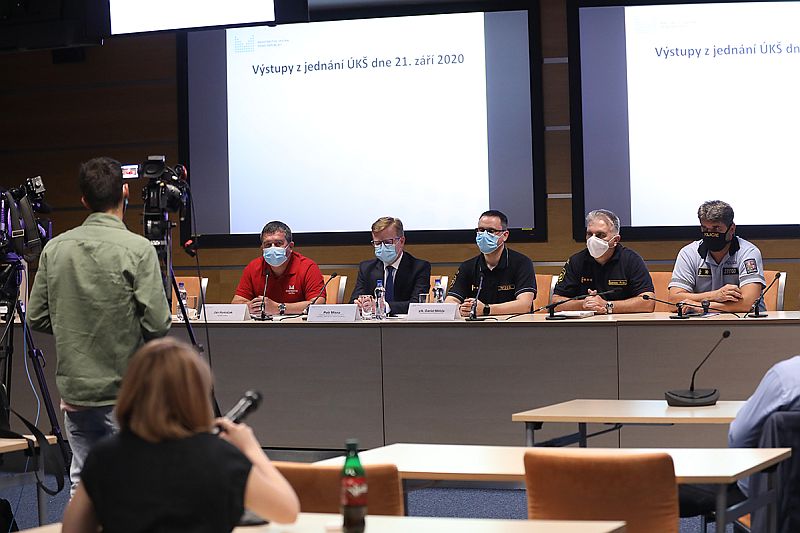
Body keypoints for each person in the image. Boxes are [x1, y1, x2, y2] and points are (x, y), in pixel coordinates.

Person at [27, 156, 171, 492]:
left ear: (83, 200)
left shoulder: (54, 248)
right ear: (125, 192)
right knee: (134, 483)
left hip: (76, 391)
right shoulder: (139, 249)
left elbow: (36, 317)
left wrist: (74, 321)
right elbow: (158, 324)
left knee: (83, 481)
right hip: (126, 391)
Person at [61, 338, 300, 532]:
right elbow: (287, 510)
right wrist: (250, 448)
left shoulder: (106, 456)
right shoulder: (219, 456)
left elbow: (73, 529)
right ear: (198, 394)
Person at [679, 355, 800, 517]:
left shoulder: (786, 376)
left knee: (664, 485)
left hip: (770, 496)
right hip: (789, 499)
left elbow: (740, 438)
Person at [669, 200, 765, 313]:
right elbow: (673, 302)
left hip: (745, 321)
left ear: (732, 229)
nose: (710, 233)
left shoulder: (748, 252)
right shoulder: (688, 253)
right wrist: (714, 295)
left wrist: (702, 307)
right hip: (701, 322)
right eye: (705, 229)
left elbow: (749, 304)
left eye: (716, 228)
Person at [552, 209, 655, 314]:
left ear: (615, 240)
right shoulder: (576, 261)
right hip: (586, 322)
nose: (593, 240)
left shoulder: (632, 260)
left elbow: (648, 302)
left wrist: (607, 305)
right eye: (589, 234)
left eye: (600, 235)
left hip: (622, 322)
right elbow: (555, 302)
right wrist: (583, 305)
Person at [445, 210, 536, 317]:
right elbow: (450, 301)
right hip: (477, 326)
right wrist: (462, 309)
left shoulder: (522, 263)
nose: (484, 235)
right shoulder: (467, 266)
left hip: (513, 324)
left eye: (491, 231)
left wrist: (486, 309)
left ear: (505, 235)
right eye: (481, 230)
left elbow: (524, 305)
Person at [232, 221, 326, 317]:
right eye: (268, 245)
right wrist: (250, 307)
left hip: (297, 324)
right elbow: (236, 303)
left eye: (278, 243)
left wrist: (279, 308)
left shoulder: (307, 267)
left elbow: (318, 304)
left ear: (290, 246)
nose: (273, 248)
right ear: (262, 248)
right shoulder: (253, 267)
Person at [349, 217, 431, 315]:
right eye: (378, 243)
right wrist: (359, 305)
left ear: (401, 241)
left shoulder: (419, 268)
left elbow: (418, 304)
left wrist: (384, 307)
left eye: (387, 242)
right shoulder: (366, 268)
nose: (382, 247)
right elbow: (354, 300)